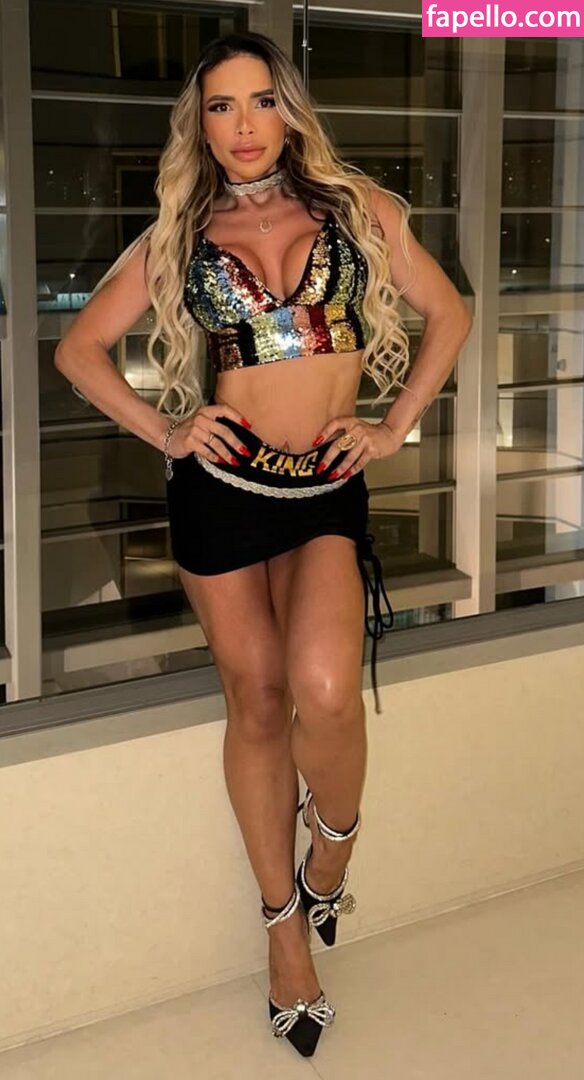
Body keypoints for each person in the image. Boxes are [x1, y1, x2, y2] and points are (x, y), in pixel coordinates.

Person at [55, 30, 472, 1058]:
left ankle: (330, 852)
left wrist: (392, 425)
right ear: (199, 124)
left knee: (325, 690)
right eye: (220, 107)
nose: (241, 126)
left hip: (325, 487)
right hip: (221, 491)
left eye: (258, 102)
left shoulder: (357, 211)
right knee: (257, 702)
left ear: (287, 109)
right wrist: (167, 430)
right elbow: (79, 349)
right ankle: (285, 932)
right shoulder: (182, 230)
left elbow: (448, 315)